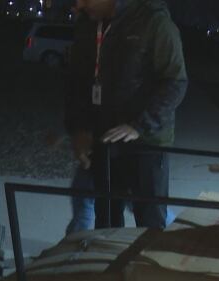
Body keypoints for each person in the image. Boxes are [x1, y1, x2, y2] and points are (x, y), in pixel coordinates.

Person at [65, 0, 188, 229]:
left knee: (149, 222)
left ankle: (148, 263)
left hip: (146, 144)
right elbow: (77, 83)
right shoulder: (87, 24)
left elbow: (175, 82)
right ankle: (111, 263)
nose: (79, 4)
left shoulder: (153, 21)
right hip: (104, 140)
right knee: (107, 220)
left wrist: (140, 125)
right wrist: (78, 128)